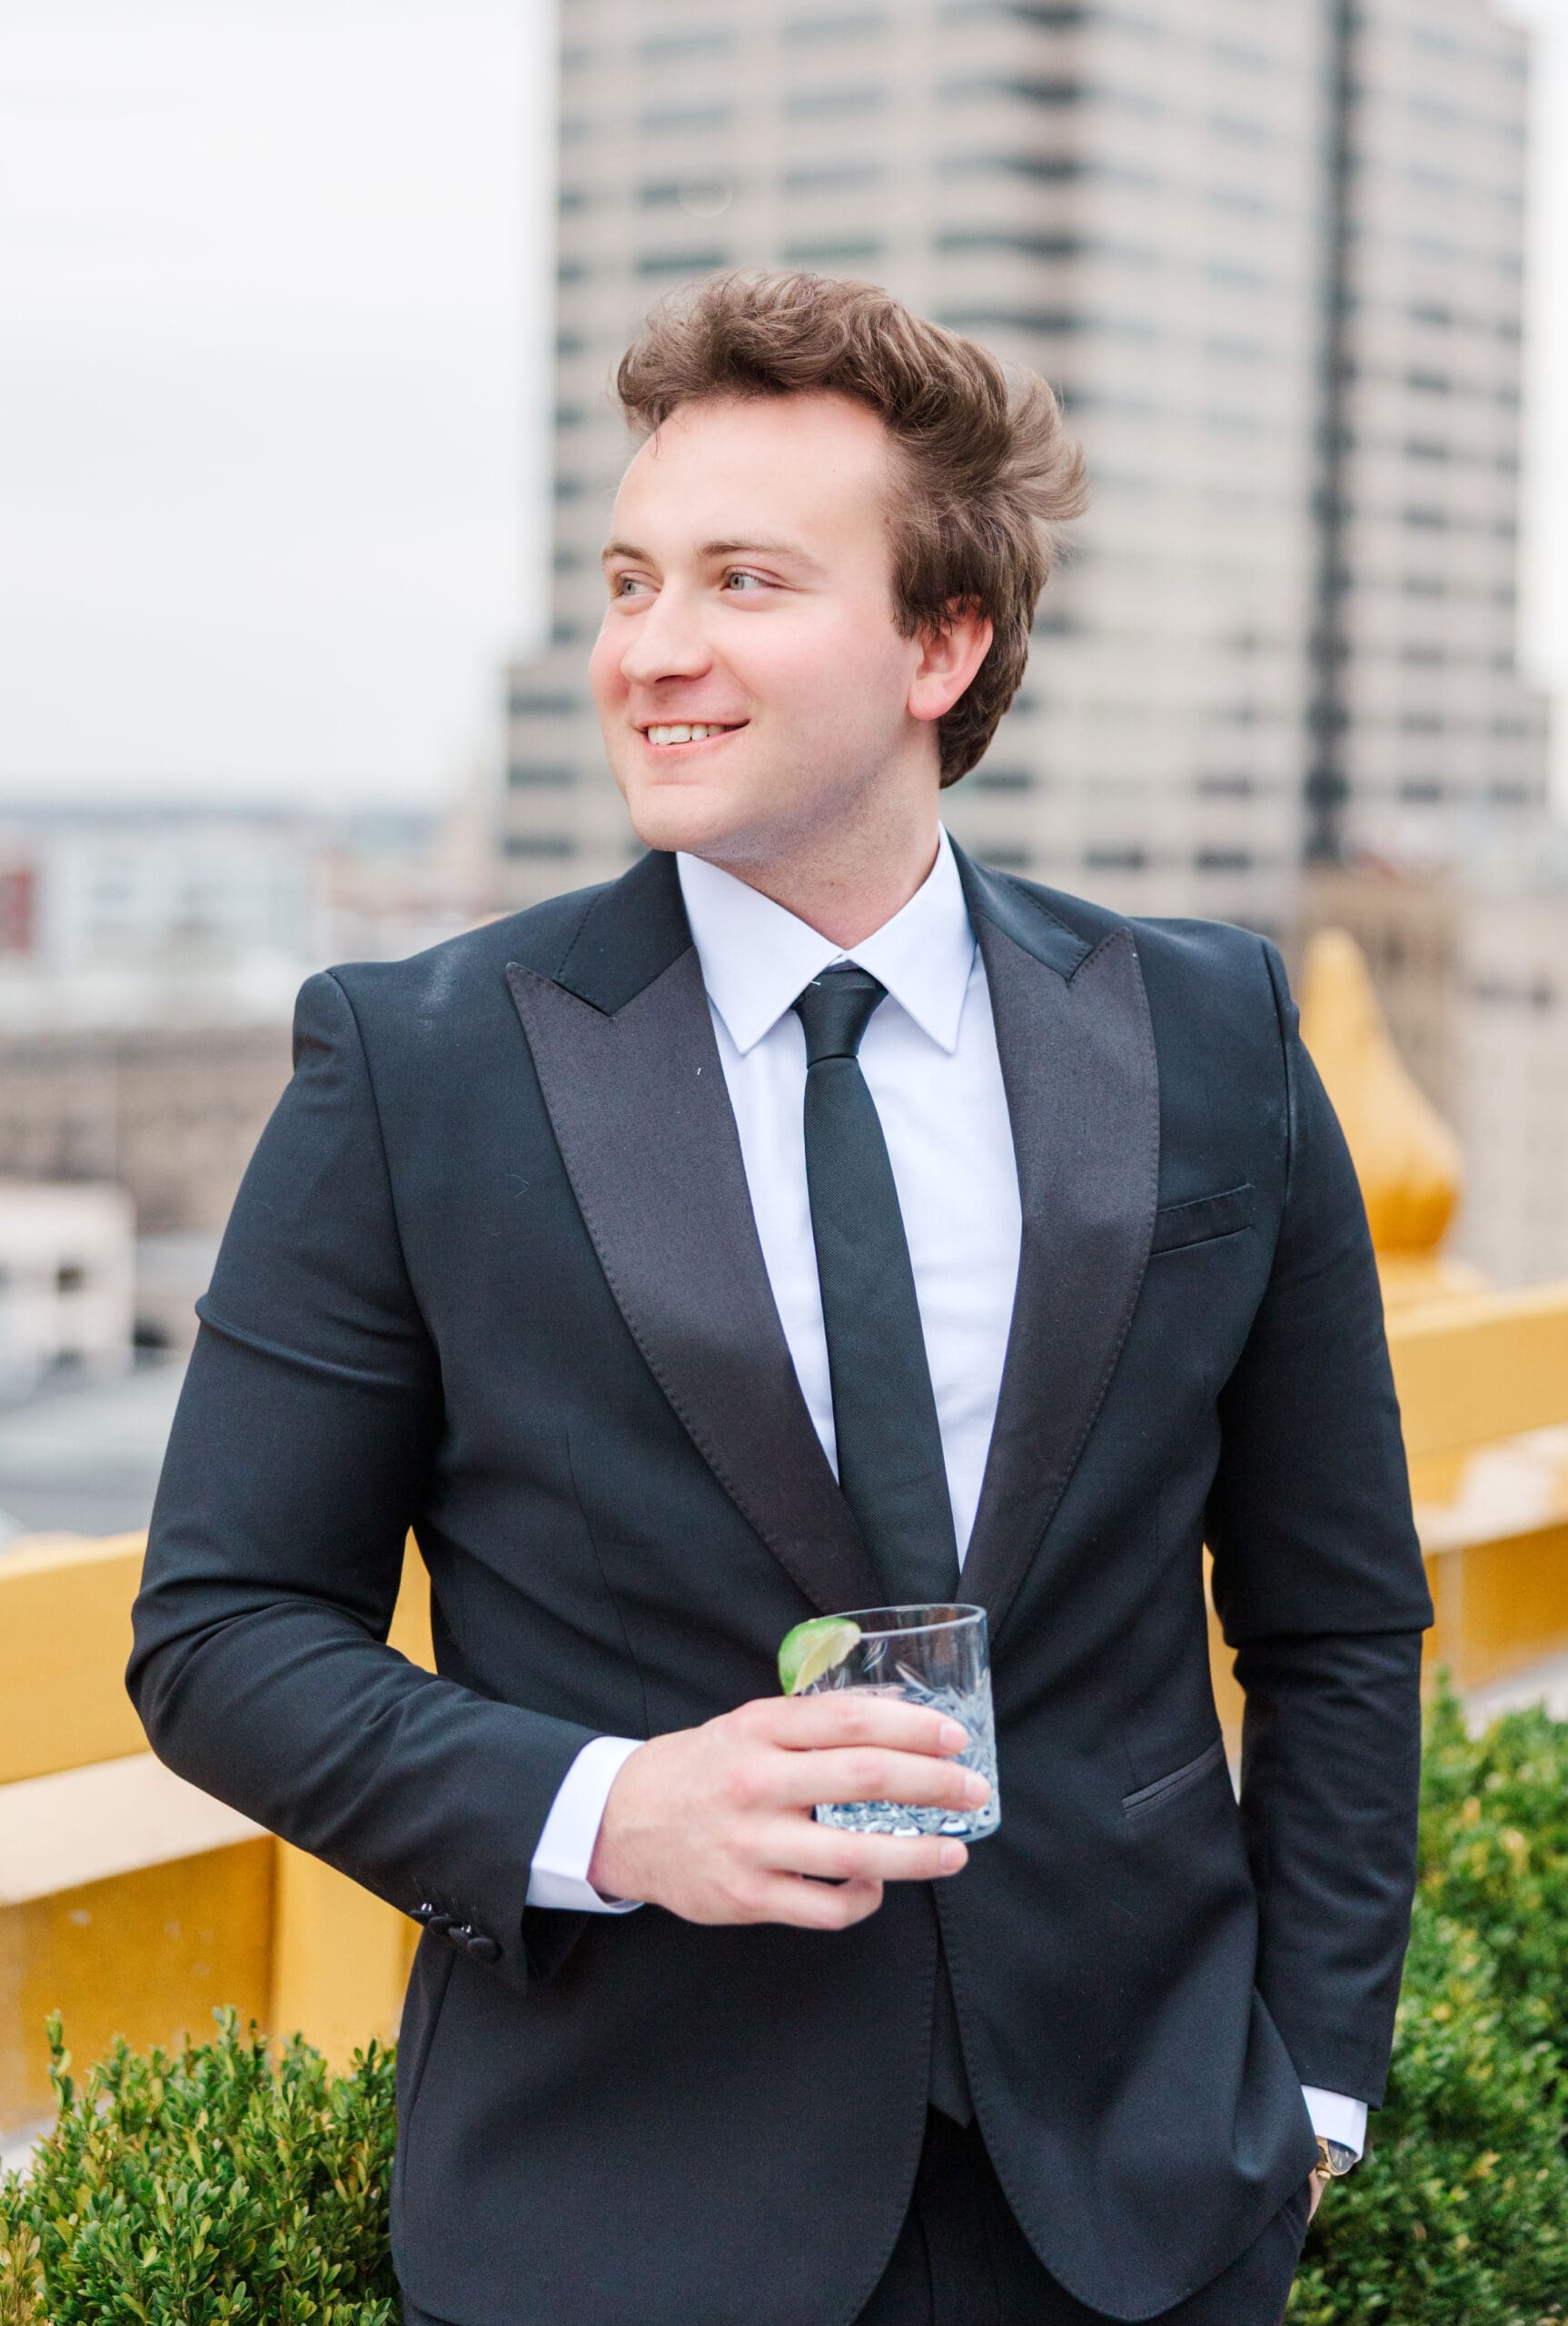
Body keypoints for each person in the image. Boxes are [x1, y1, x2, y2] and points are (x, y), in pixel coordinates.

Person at [128, 270, 1434, 2326]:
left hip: (1148, 2210)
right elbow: (216, 1633)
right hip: (621, 2214)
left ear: (942, 639)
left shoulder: (1206, 1029)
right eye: (630, 579)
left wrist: (1315, 2086)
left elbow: (1336, 1608)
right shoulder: (415, 1063)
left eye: (743, 580)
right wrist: (610, 1808)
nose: (652, 650)